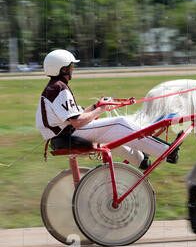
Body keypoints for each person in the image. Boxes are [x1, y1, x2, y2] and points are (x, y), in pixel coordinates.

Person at [36, 49, 179, 169]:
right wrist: (101, 109)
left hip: (65, 135)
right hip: (69, 135)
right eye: (71, 67)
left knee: (114, 132)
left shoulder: (54, 87)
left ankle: (141, 160)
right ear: (63, 69)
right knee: (120, 123)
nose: (73, 70)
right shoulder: (58, 88)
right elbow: (77, 122)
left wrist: (95, 106)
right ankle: (167, 152)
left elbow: (74, 116)